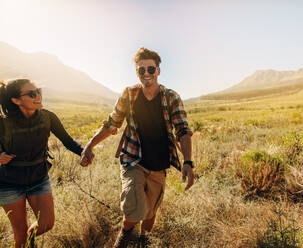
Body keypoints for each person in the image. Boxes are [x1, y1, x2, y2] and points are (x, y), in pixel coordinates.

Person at [81, 47, 194, 247]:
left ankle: (144, 240)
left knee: (151, 211)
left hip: (159, 163)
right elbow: (112, 124)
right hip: (133, 159)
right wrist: (90, 144)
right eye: (141, 70)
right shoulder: (130, 94)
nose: (146, 74)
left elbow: (183, 130)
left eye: (151, 69)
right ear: (137, 72)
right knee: (134, 207)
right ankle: (124, 236)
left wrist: (188, 162)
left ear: (158, 70)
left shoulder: (171, 97)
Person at [0, 79, 84, 248]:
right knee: (20, 236)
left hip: (38, 178)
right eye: (32, 94)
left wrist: (84, 152)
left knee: (46, 224)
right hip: (9, 183)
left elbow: (68, 141)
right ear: (16, 101)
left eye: (38, 90)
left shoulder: (48, 117)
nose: (38, 95)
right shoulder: (3, 122)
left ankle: (31, 239)